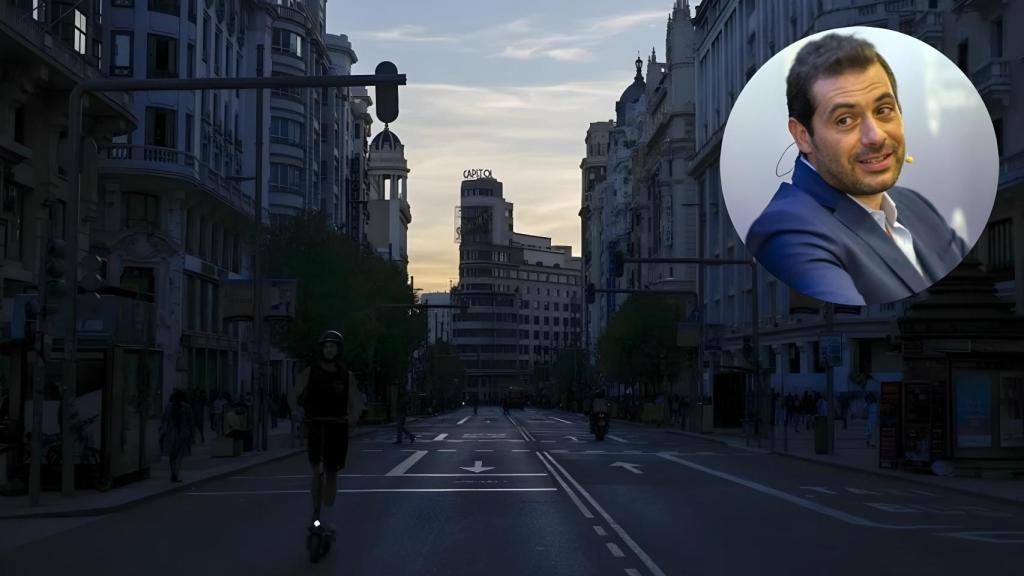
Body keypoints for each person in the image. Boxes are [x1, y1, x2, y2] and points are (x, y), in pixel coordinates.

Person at [745, 33, 967, 306]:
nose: (875, 136)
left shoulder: (916, 206)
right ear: (803, 136)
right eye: (845, 120)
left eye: (884, 110)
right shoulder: (788, 229)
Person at [288, 330, 364, 532]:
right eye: (326, 346)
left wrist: (354, 417)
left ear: (338, 350)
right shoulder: (310, 372)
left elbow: (356, 402)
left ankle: (327, 516)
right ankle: (315, 511)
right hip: (316, 425)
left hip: (338, 427)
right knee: (316, 471)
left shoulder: (346, 375)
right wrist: (295, 410)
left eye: (333, 347)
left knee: (331, 473)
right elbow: (294, 394)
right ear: (321, 349)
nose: (329, 350)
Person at [161, 389, 193, 483]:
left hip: (171, 433)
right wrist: (192, 435)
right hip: (183, 433)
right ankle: (176, 473)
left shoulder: (169, 407)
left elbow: (164, 420)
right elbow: (191, 422)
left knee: (172, 455)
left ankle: (173, 472)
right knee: (180, 455)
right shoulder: (187, 407)